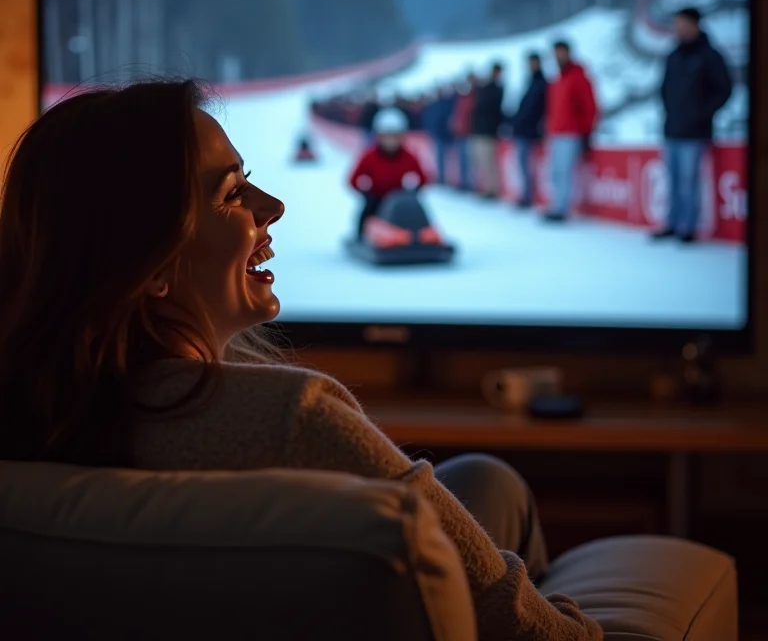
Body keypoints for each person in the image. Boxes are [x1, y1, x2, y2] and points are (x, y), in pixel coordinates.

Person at [0, 79, 602, 641]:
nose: (274, 206)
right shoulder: (295, 421)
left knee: (486, 479)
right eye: (233, 194)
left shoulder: (35, 411)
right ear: (151, 265)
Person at [654, 7, 733, 243]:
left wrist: (702, 113)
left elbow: (724, 89)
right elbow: (665, 89)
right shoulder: (673, 55)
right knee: (673, 181)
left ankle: (688, 227)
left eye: (681, 23)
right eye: (675, 24)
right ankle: (672, 222)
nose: (678, 28)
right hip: (672, 129)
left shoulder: (709, 55)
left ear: (694, 24)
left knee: (689, 182)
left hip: (695, 132)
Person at [348, 106, 427, 240]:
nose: (391, 141)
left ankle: (421, 237)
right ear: (379, 136)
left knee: (415, 209)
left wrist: (413, 192)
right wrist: (366, 194)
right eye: (386, 136)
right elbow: (353, 179)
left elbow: (423, 178)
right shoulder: (369, 156)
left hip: (399, 199)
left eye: (395, 136)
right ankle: (361, 236)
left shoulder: (408, 156)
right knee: (367, 212)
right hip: (377, 199)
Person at [544, 41, 598, 222]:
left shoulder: (578, 76)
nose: (558, 57)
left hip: (571, 133)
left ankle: (562, 208)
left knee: (565, 171)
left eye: (561, 53)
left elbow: (589, 106)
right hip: (556, 132)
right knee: (556, 172)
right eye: (556, 53)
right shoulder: (558, 79)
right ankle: (556, 204)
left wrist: (586, 132)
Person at [510, 53, 548, 208]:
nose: (531, 65)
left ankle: (528, 195)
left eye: (533, 62)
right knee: (521, 165)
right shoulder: (530, 82)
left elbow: (535, 109)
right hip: (522, 130)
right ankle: (525, 194)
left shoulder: (541, 83)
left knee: (527, 165)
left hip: (530, 131)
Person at [471, 62, 505, 198]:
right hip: (480, 130)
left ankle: (492, 189)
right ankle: (487, 187)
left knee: (489, 162)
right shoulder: (485, 89)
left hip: (488, 131)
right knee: (482, 163)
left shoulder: (496, 89)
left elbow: (489, 108)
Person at [422, 86, 458, 185]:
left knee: (451, 160)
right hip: (438, 135)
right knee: (440, 159)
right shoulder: (435, 104)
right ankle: (442, 178)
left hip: (448, 135)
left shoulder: (448, 103)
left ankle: (449, 179)